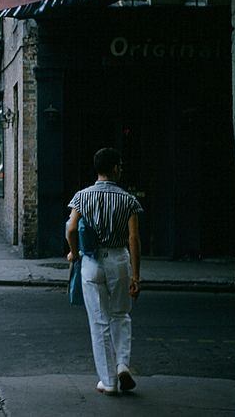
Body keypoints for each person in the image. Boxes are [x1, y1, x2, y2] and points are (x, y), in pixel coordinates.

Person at [65, 147, 143, 396]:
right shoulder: (128, 200)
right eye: (119, 165)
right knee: (121, 315)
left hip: (92, 262)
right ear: (114, 169)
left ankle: (108, 381)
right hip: (119, 259)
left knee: (99, 321)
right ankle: (123, 365)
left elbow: (71, 228)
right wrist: (136, 277)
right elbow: (134, 238)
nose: (121, 169)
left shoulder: (81, 197)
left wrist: (74, 253)